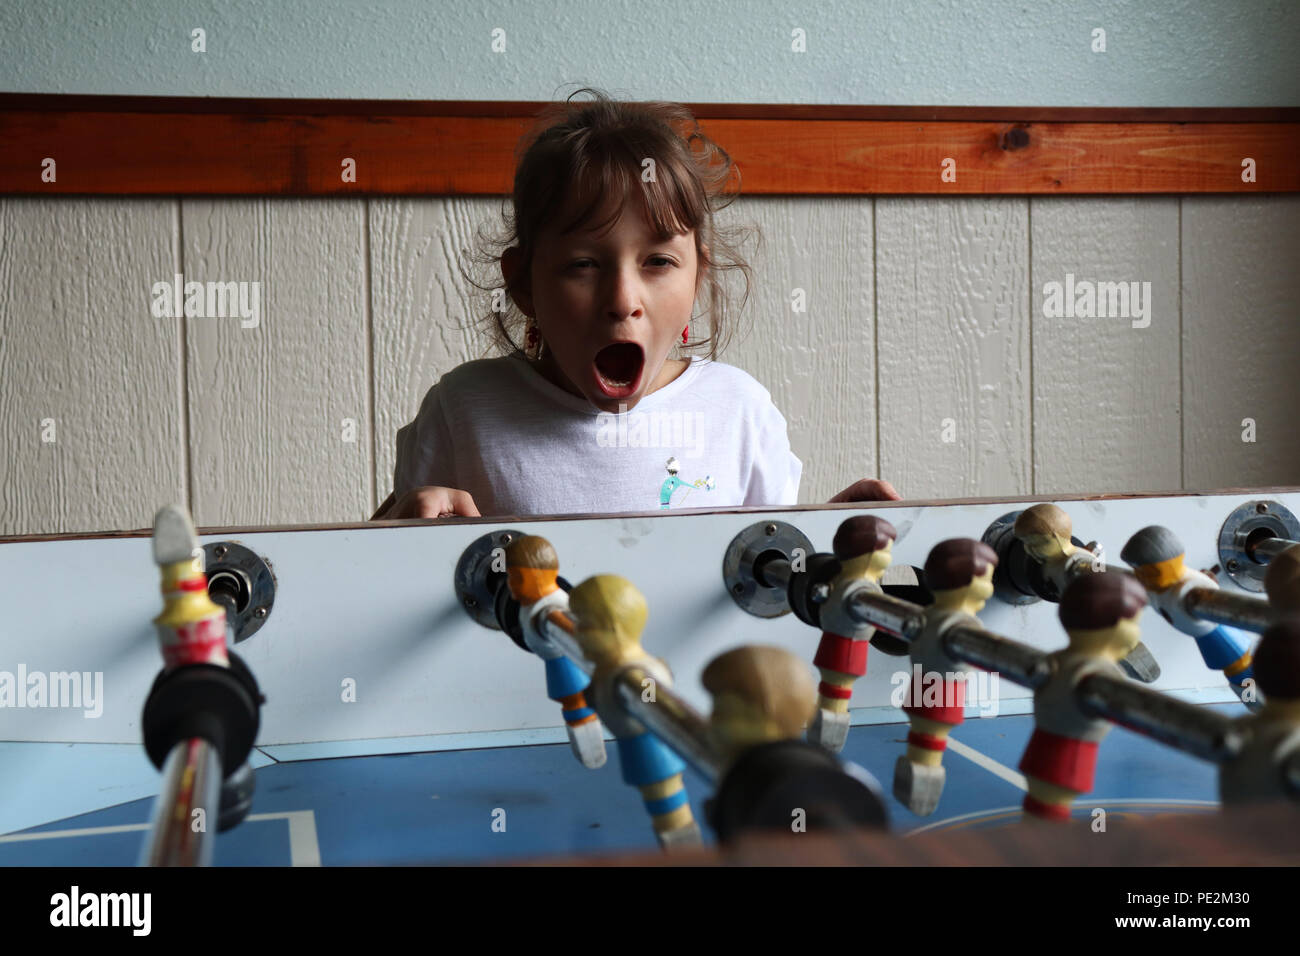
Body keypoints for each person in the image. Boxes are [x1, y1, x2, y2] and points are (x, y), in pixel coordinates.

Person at [371, 88, 899, 520]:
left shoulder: (740, 412)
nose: (623, 301)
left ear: (698, 278)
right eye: (583, 265)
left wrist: (833, 546)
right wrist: (397, 532)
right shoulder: (464, 409)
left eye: (659, 263)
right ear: (524, 285)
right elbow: (373, 588)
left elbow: (769, 580)